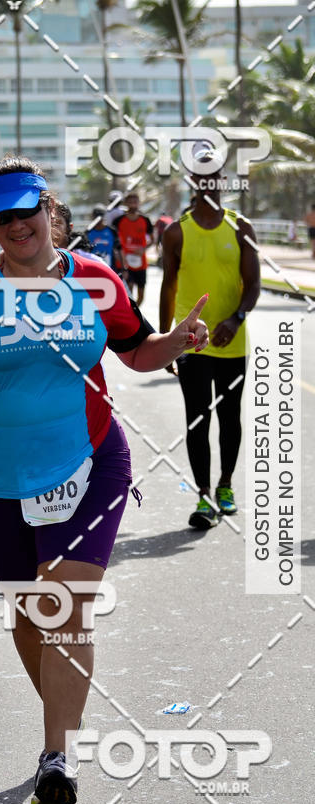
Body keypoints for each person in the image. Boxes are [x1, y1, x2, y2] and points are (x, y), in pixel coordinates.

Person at [0, 156, 208, 804]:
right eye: (0, 218)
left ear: (49, 209)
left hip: (91, 461)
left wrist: (181, 341)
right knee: (28, 613)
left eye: (26, 212)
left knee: (65, 606)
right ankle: (63, 714)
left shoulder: (97, 280)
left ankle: (57, 754)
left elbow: (138, 351)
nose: (15, 226)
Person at [159, 148, 260, 529]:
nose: (207, 182)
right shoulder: (175, 232)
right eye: (200, 175)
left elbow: (253, 285)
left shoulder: (240, 228)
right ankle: (203, 498)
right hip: (191, 344)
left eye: (213, 174)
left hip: (232, 343)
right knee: (197, 420)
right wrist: (165, 340)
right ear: (191, 181)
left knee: (229, 418)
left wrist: (236, 319)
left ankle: (225, 486)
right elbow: (168, 288)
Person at [113, 193, 153, 306]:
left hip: (141, 263)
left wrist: (144, 248)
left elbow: (153, 239)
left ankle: (135, 313)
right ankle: (130, 315)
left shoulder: (145, 220)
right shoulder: (118, 221)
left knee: (141, 295)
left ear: (139, 203)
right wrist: (118, 254)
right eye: (130, 202)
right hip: (125, 262)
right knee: (128, 292)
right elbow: (114, 241)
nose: (133, 205)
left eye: (135, 202)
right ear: (126, 204)